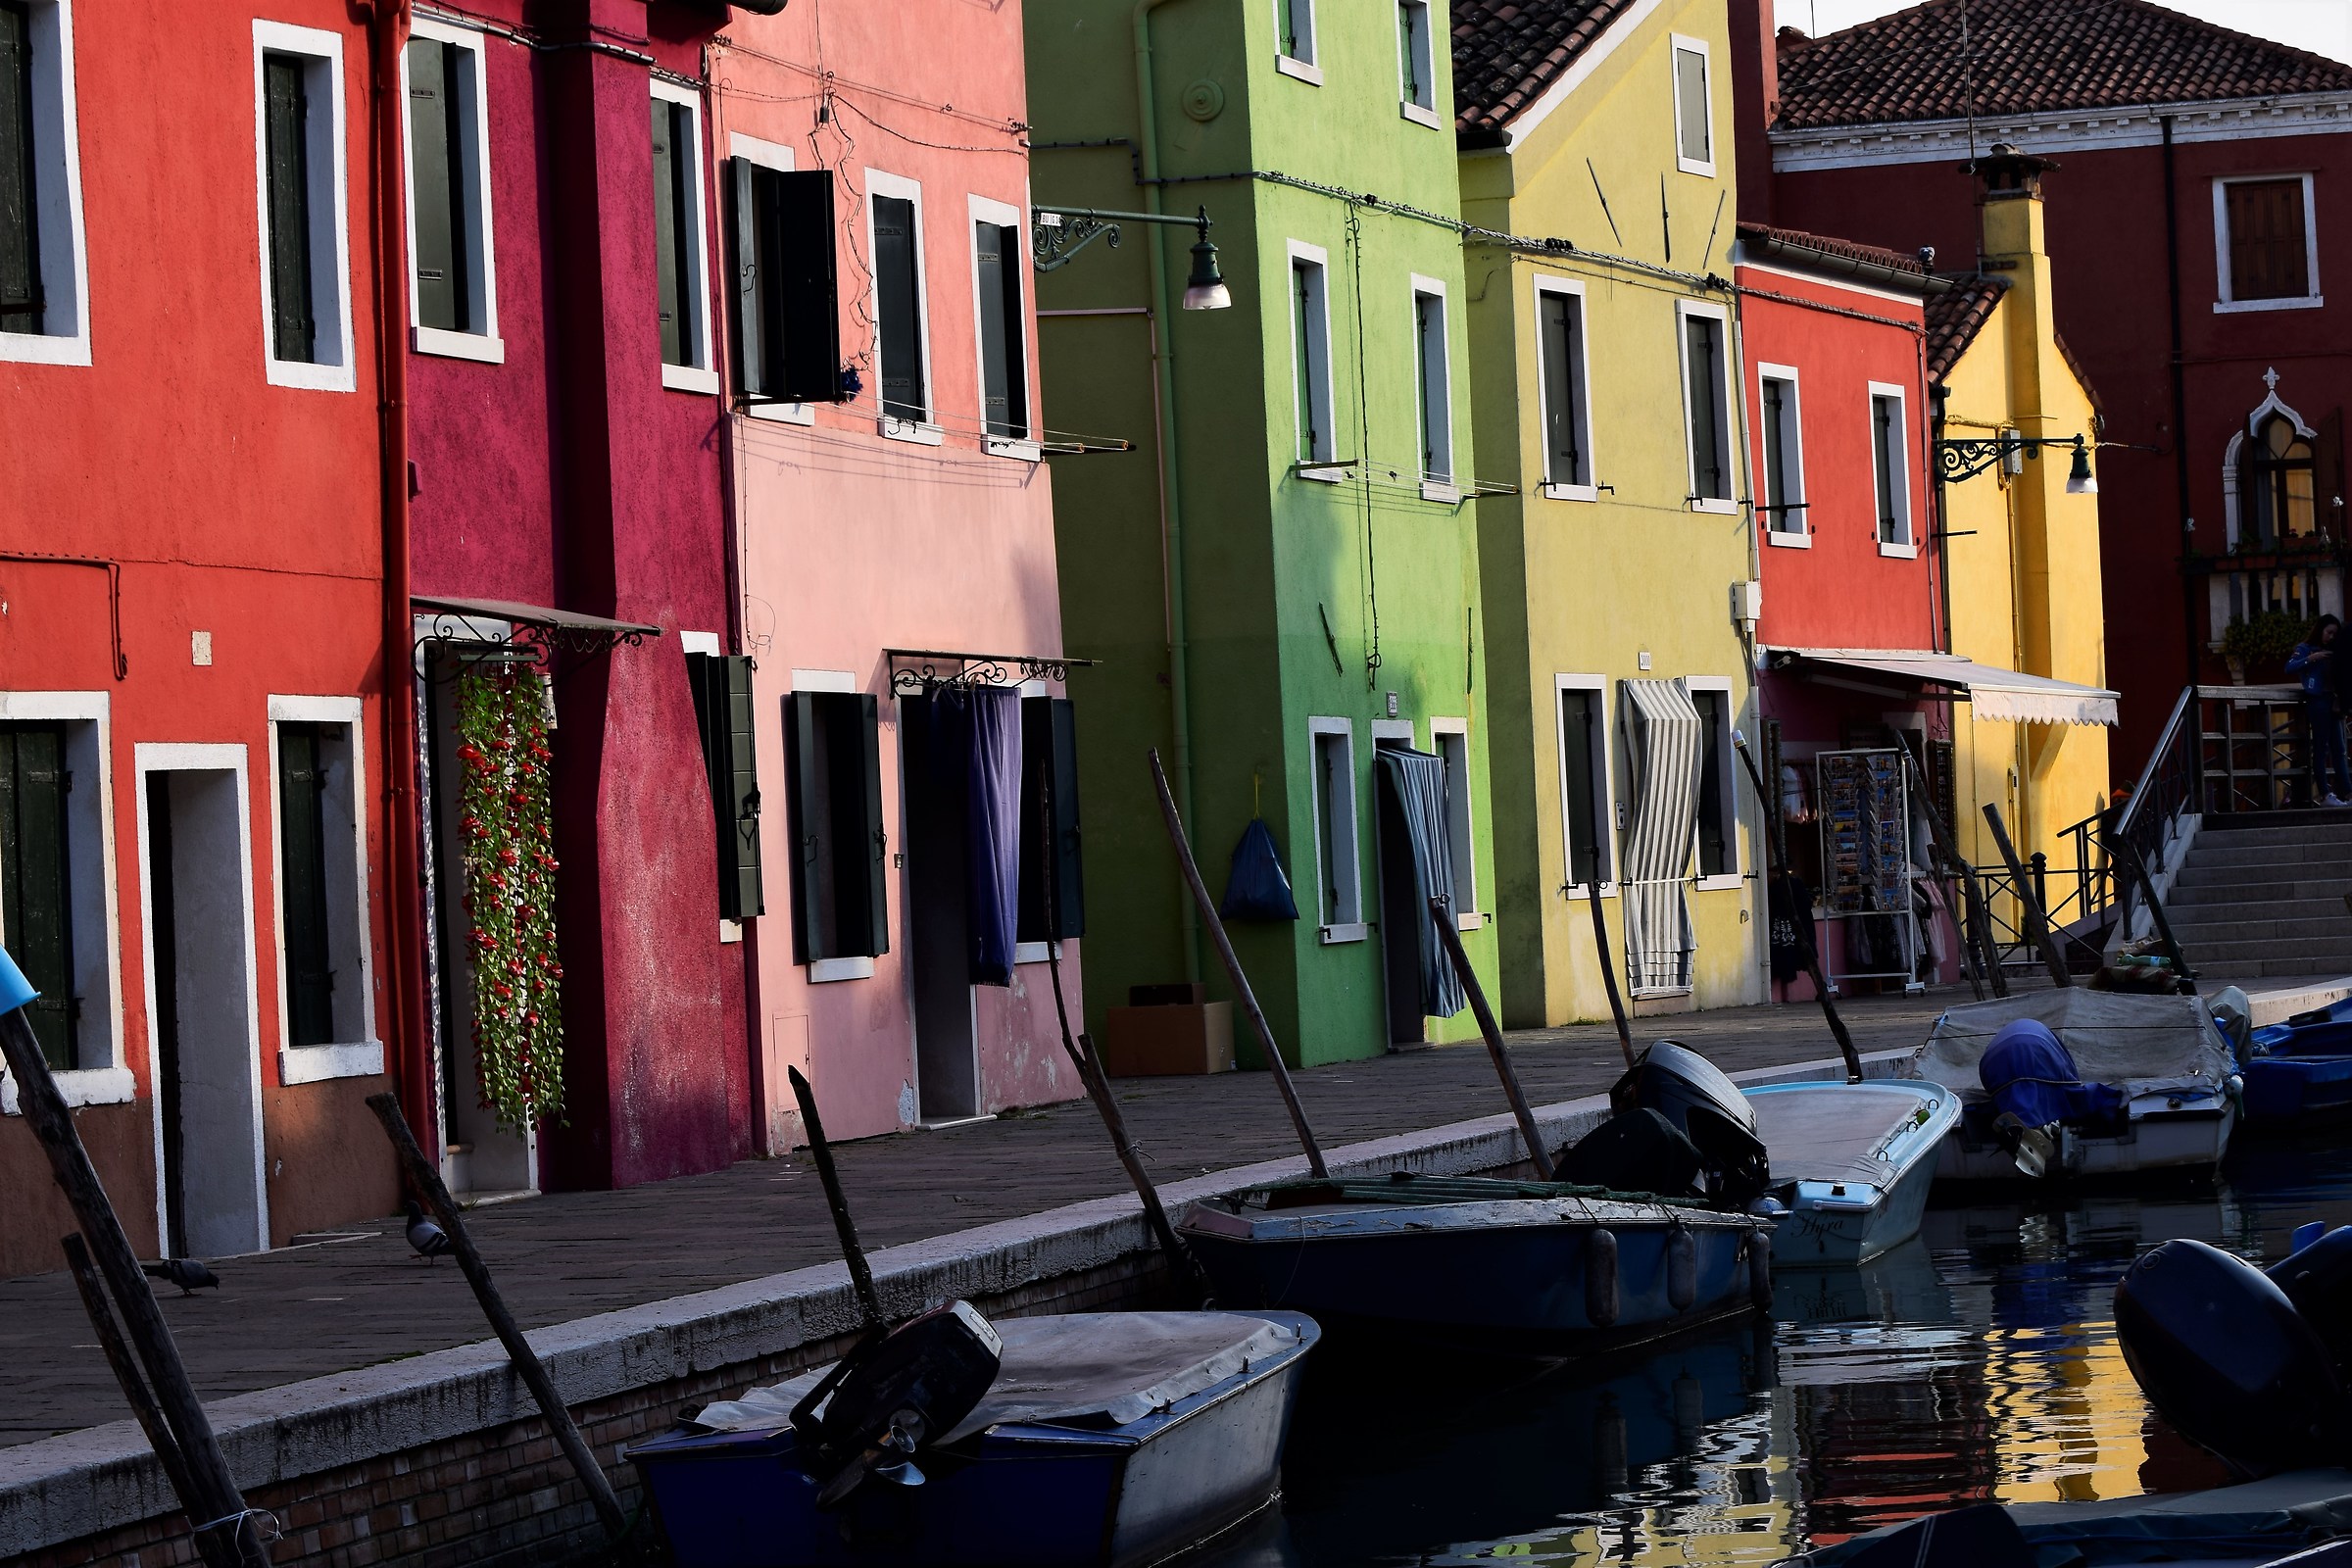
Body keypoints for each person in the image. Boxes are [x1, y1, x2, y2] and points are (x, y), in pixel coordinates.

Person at [2287, 613, 2350, 807]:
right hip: (2317, 701)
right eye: (2328, 632)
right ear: (2320, 630)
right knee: (2321, 749)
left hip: (2333, 701)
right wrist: (2311, 658)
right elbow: (2289, 667)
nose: (2331, 637)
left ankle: (2347, 793)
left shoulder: (2335, 650)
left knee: (2339, 749)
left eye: (2334, 634)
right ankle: (2325, 794)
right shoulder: (2304, 648)